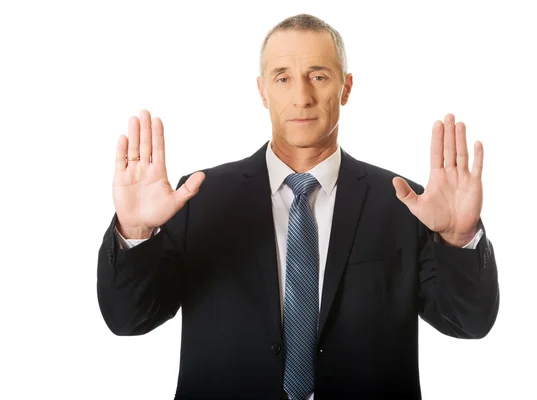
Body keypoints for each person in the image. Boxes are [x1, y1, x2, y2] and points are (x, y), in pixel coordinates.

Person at [97, 13, 499, 400]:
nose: (302, 97)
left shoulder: (404, 203)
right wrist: (135, 232)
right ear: (262, 90)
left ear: (346, 87)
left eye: (319, 76)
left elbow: (468, 323)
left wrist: (458, 237)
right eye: (283, 78)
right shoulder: (198, 198)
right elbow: (129, 319)